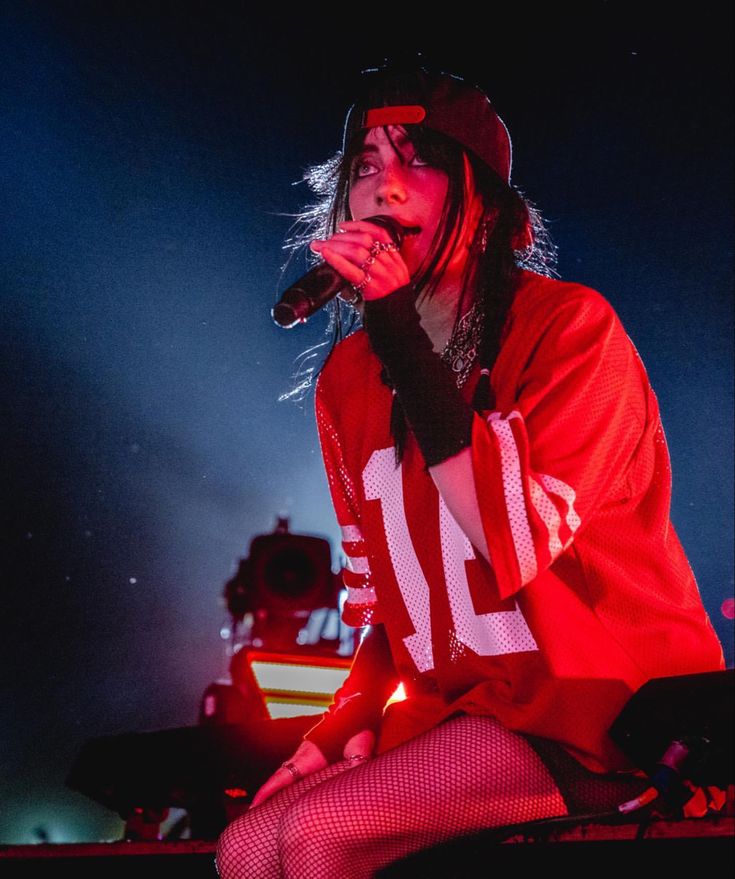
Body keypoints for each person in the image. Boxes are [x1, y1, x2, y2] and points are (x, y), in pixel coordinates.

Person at [217, 64, 724, 879]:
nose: (384, 187)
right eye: (364, 167)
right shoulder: (347, 378)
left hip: (597, 716)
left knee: (322, 837)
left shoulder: (569, 332)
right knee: (245, 848)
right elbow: (387, 607)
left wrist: (394, 332)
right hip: (462, 712)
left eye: (414, 159)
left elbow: (506, 537)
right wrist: (334, 725)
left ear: (487, 203)